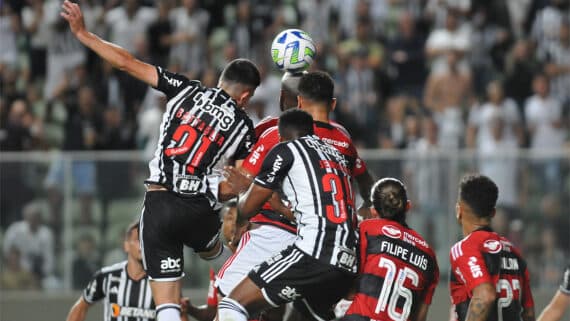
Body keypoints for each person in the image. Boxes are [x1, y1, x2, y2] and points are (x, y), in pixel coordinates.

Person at [61, 2, 260, 320]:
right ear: (246, 97)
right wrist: (238, 189)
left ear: (221, 80)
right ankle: (239, 275)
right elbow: (242, 182)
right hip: (199, 208)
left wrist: (83, 33)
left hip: (161, 202)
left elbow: (127, 62)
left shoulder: (184, 89)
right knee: (215, 246)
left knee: (167, 303)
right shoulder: (245, 128)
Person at [217, 71, 374, 302]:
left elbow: (239, 187)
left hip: (276, 231)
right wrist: (359, 215)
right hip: (331, 245)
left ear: (298, 101)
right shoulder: (343, 140)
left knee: (230, 300)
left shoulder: (277, 132)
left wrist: (233, 194)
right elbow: (367, 186)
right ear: (333, 104)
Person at [218, 109, 358, 321]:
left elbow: (247, 209)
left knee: (232, 305)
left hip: (313, 252)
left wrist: (242, 190)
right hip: (347, 260)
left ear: (281, 137)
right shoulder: (336, 156)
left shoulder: (286, 149)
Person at [340, 178, 440, 321]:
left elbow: (350, 291)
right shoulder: (429, 255)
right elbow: (420, 316)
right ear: (408, 206)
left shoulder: (367, 229)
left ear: (374, 212)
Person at [449, 174, 535, 321]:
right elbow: (528, 313)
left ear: (459, 210)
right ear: (493, 213)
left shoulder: (464, 248)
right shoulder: (514, 252)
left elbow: (485, 295)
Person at [65, 222, 158, 321]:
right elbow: (81, 307)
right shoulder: (106, 277)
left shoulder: (160, 280)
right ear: (126, 245)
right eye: (138, 240)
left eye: (146, 240)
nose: (142, 245)